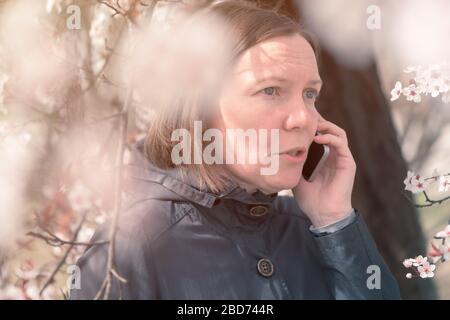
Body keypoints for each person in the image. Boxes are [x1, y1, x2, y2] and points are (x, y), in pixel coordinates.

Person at [70, 0, 401, 300]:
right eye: (270, 90)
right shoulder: (130, 247)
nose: (305, 118)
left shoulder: (314, 228)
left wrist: (335, 222)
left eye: (310, 94)